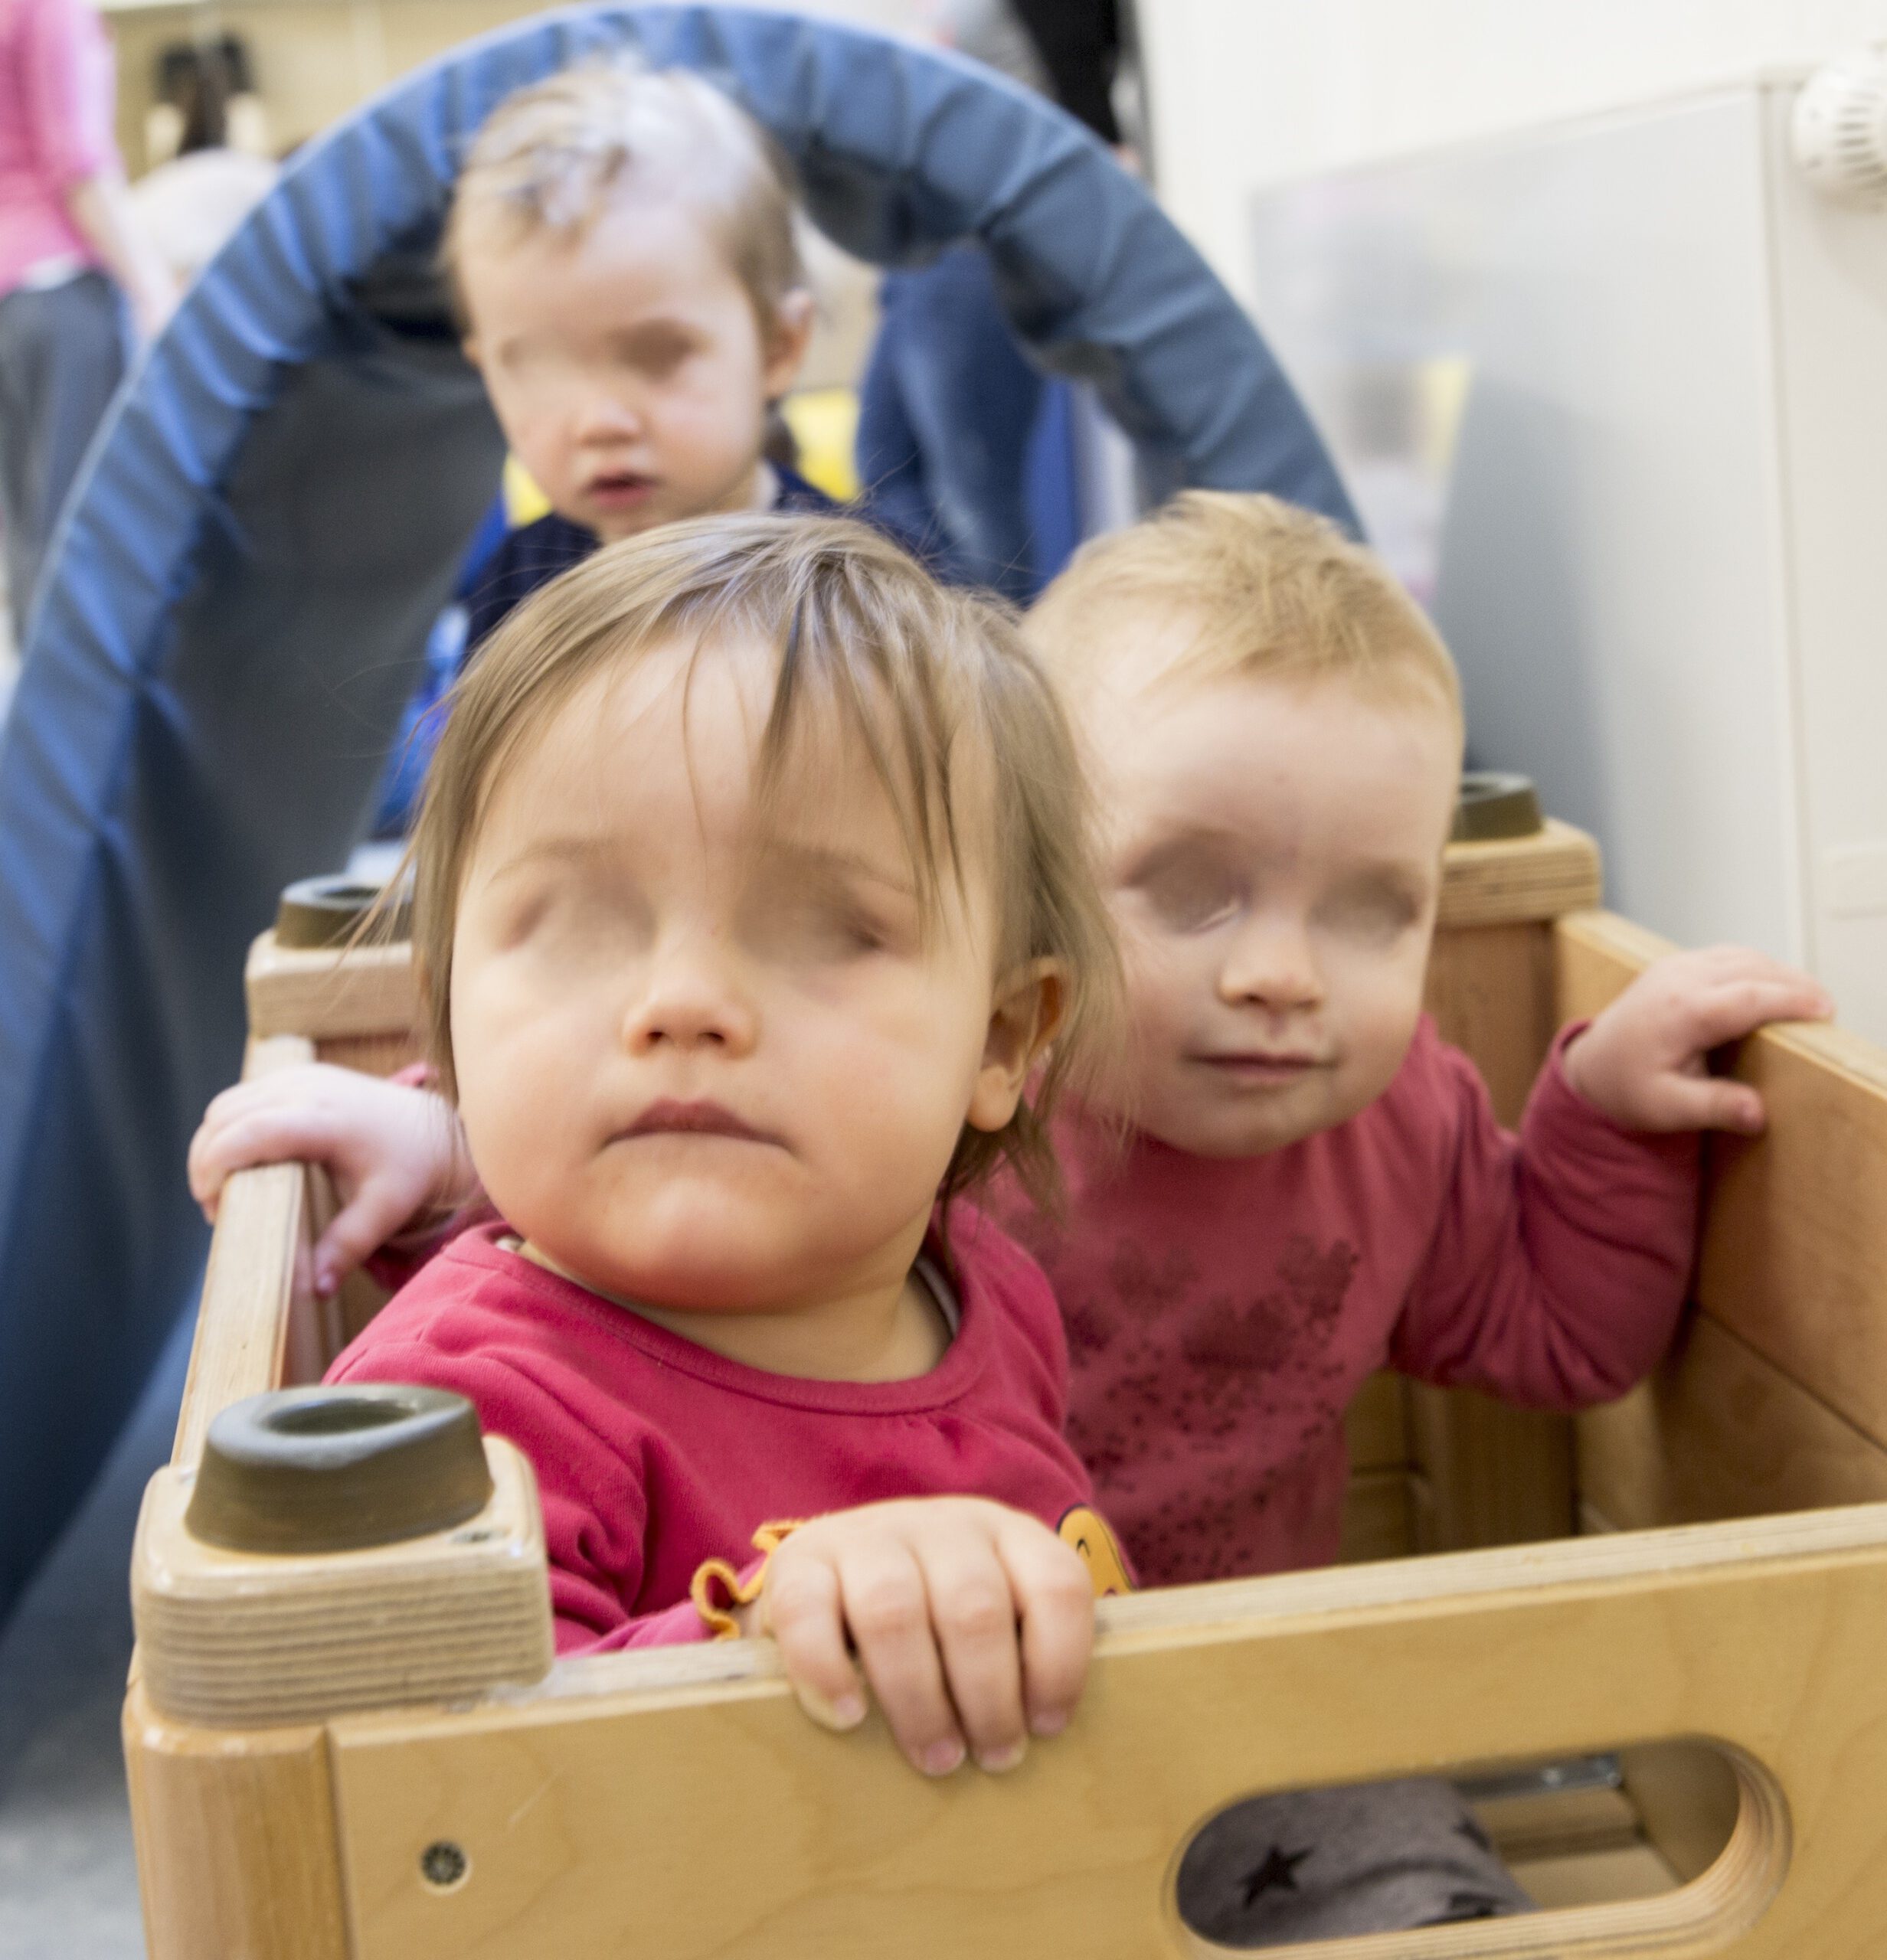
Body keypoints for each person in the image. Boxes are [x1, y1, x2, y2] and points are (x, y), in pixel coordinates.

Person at [253, 514, 1129, 1779]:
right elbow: (450, 1805)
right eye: (580, 922)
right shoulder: (471, 1410)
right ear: (449, 1012)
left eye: (825, 928)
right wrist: (761, 1641)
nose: (681, 1002)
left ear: (1000, 1040)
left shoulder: (988, 1287)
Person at [440, 59, 885, 655]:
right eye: (539, 369)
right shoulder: (515, 590)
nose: (599, 423)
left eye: (658, 355)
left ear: (778, 348)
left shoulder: (867, 594)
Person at [0, 0, 174, 649]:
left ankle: (45, 708)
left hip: (13, 305)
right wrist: (154, 289)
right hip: (60, 293)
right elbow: (79, 165)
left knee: (34, 539)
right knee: (80, 538)